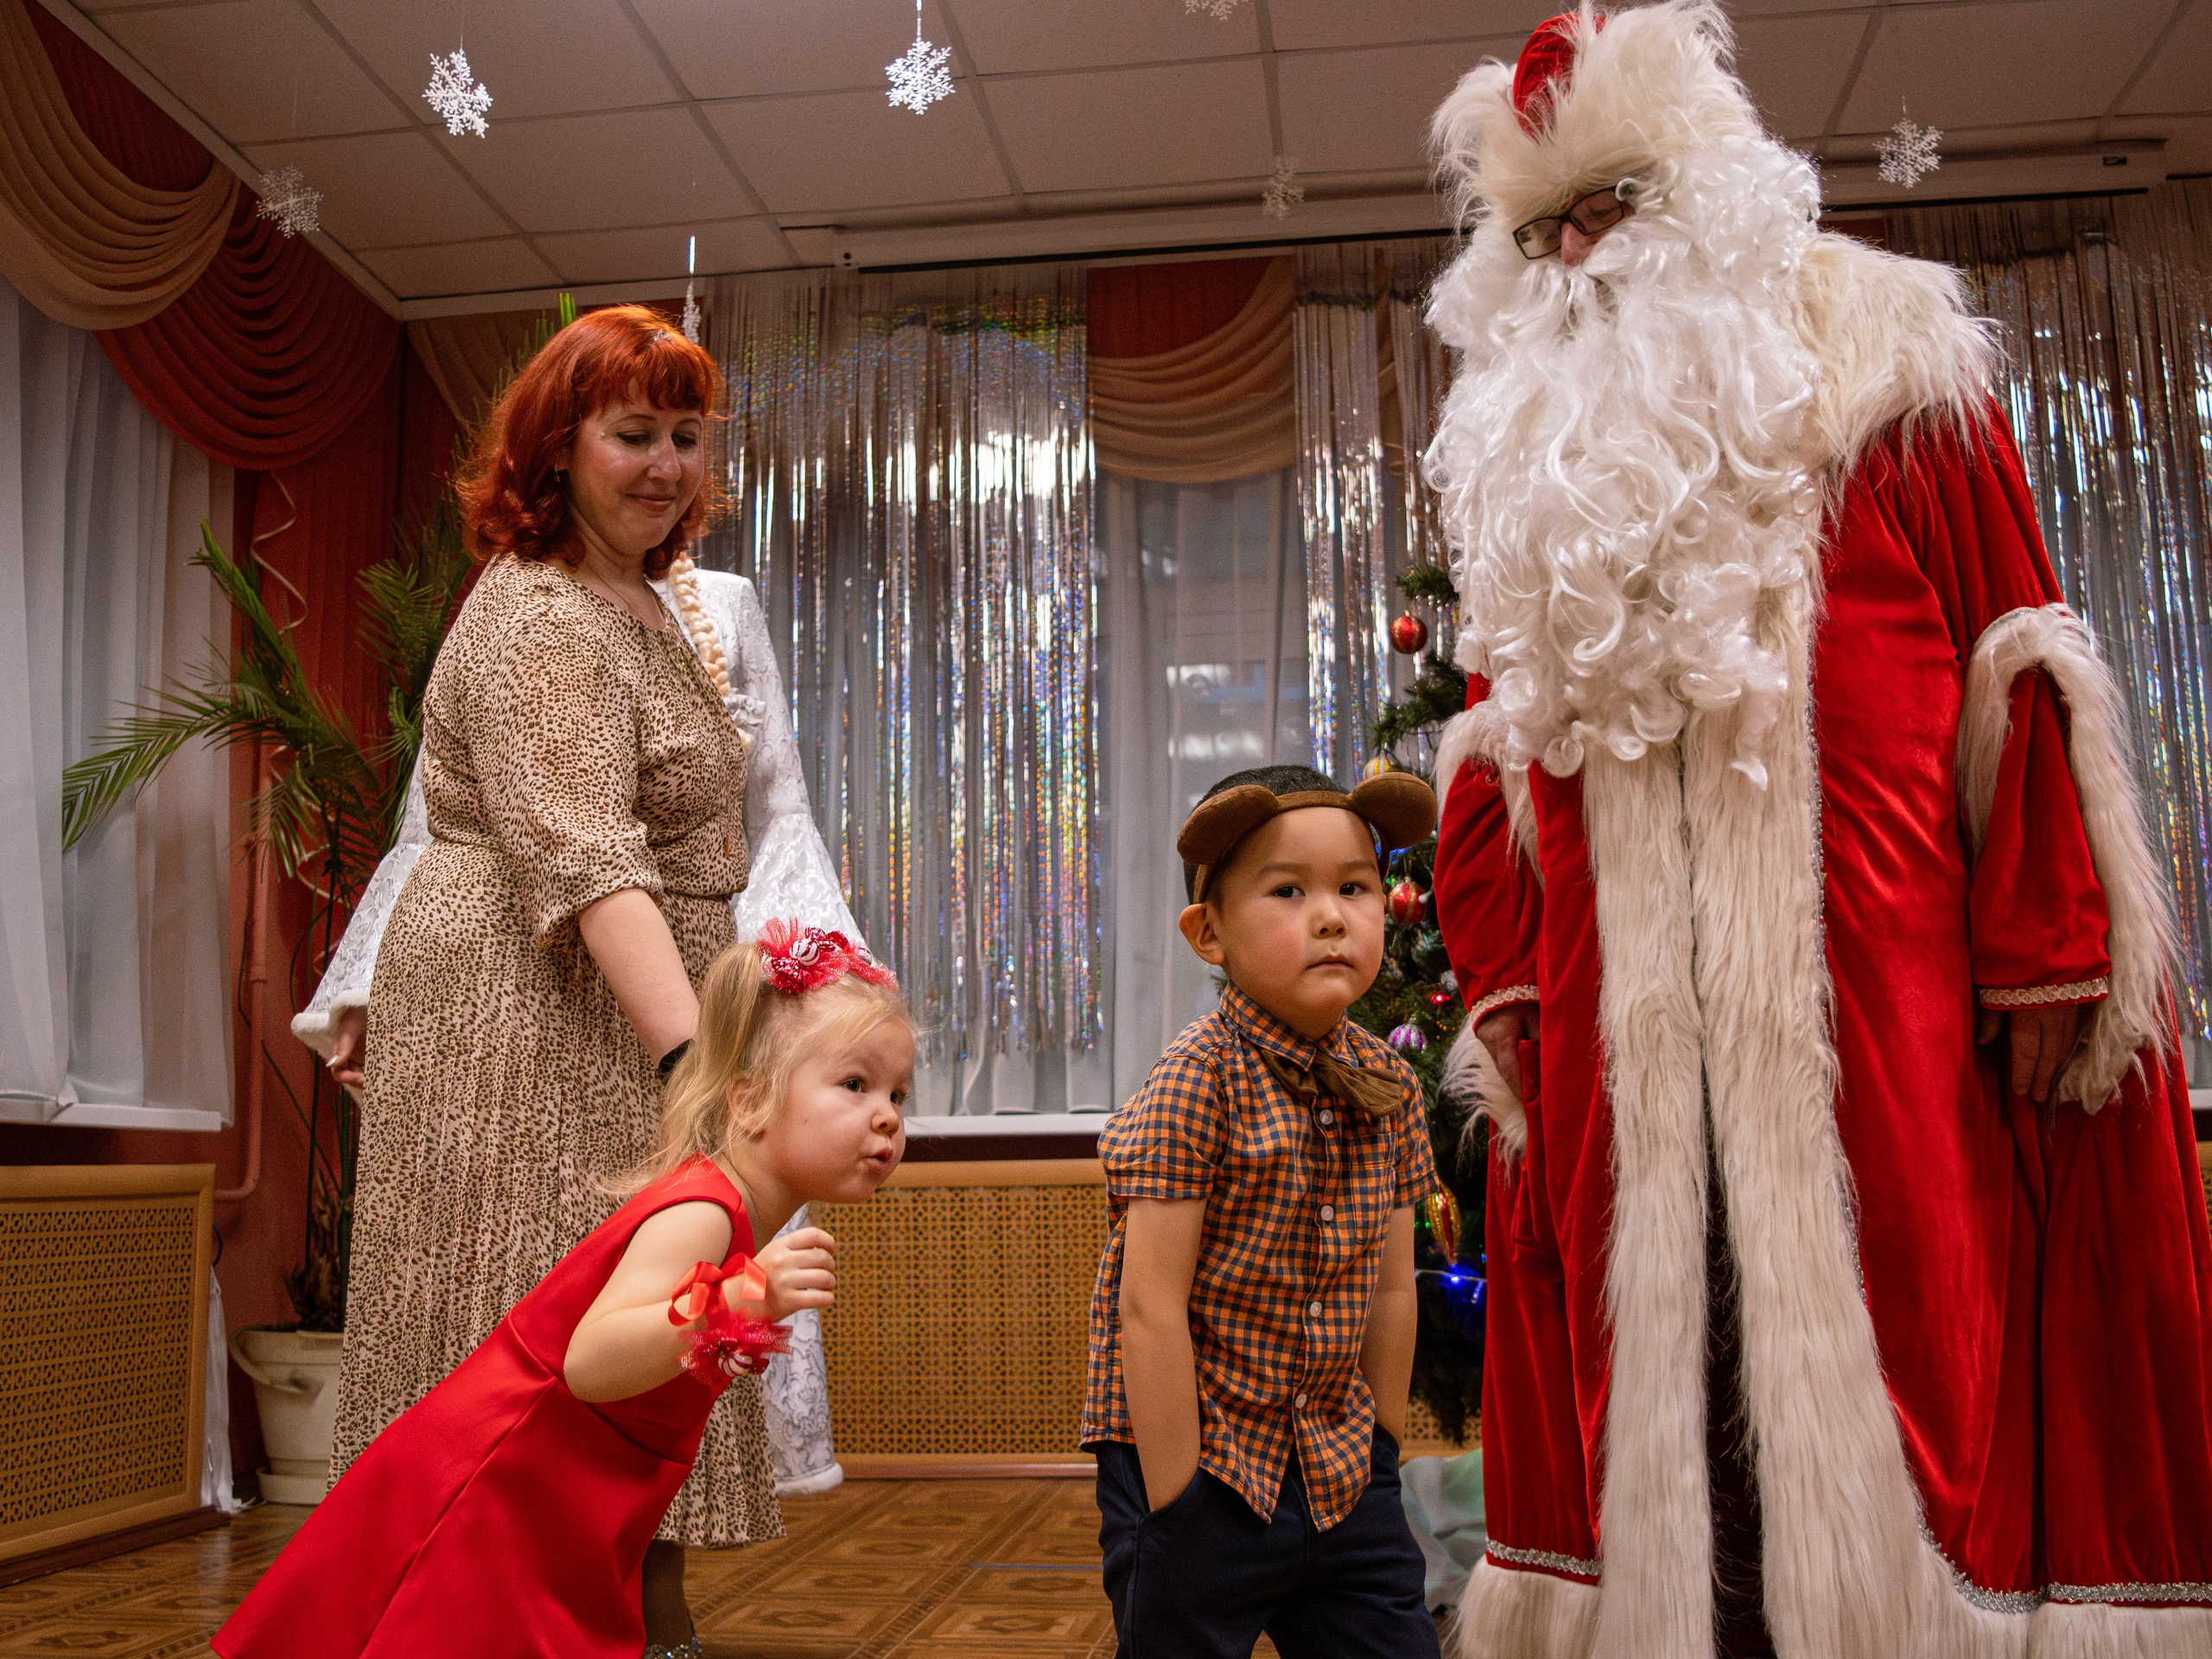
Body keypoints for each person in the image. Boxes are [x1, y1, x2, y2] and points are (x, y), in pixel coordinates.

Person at [1421, 7, 2212, 1659]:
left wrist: (2047, 953)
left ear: (1702, 188)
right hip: (1626, 1074)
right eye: (1537, 229)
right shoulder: (1534, 466)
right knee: (1668, 1422)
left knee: (1910, 1388)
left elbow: (2021, 656)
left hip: (1885, 1030)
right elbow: (1493, 764)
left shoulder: (1885, 370)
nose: (1576, 253)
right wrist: (1512, 999)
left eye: (1610, 204)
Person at [295, 321, 857, 1513]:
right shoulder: (549, 615)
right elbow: (595, 864)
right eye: (633, 434)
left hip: (609, 1008)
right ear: (556, 449)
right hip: (528, 1016)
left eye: (687, 438)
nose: (666, 464)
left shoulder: (642, 603)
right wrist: (700, 1066)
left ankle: (617, 1593)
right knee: (546, 1301)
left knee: (636, 1305)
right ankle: (514, 1601)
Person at [215, 924, 912, 1659]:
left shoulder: (736, 1215)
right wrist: (737, 1300)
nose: (888, 1116)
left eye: (899, 1091)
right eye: (855, 1085)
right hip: (505, 1481)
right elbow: (592, 1359)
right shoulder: (705, 1214)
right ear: (750, 1102)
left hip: (567, 1493)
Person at [1082, 763, 1446, 1658]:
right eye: (1288, 890)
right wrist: (1177, 1497)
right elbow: (1149, 1305)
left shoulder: (1390, 1085)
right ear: (1208, 934)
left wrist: (1382, 1457)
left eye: (1354, 888)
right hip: (1202, 1461)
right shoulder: (1194, 1082)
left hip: (1337, 1463)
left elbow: (1392, 1289)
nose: (1331, 915)